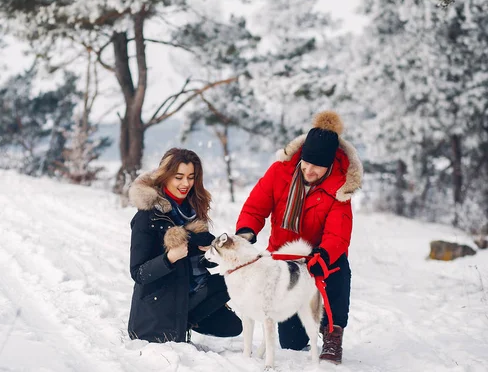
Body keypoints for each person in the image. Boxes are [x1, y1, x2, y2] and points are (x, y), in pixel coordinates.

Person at [235, 111, 363, 364]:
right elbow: (255, 208)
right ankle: (301, 332)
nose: (309, 169)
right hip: (284, 256)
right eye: (306, 162)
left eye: (317, 166)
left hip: (320, 258)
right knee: (292, 343)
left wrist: (323, 256)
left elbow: (338, 232)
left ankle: (332, 334)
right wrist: (245, 233)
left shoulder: (340, 187)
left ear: (328, 165)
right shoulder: (280, 172)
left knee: (338, 272)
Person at [127, 148, 242, 343]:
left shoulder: (192, 210)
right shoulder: (147, 217)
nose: (186, 183)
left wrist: (211, 253)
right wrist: (169, 258)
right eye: (178, 177)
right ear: (165, 177)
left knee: (234, 292)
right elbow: (138, 273)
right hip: (161, 299)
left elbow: (196, 263)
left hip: (187, 290)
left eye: (191, 177)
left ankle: (186, 320)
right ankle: (176, 320)